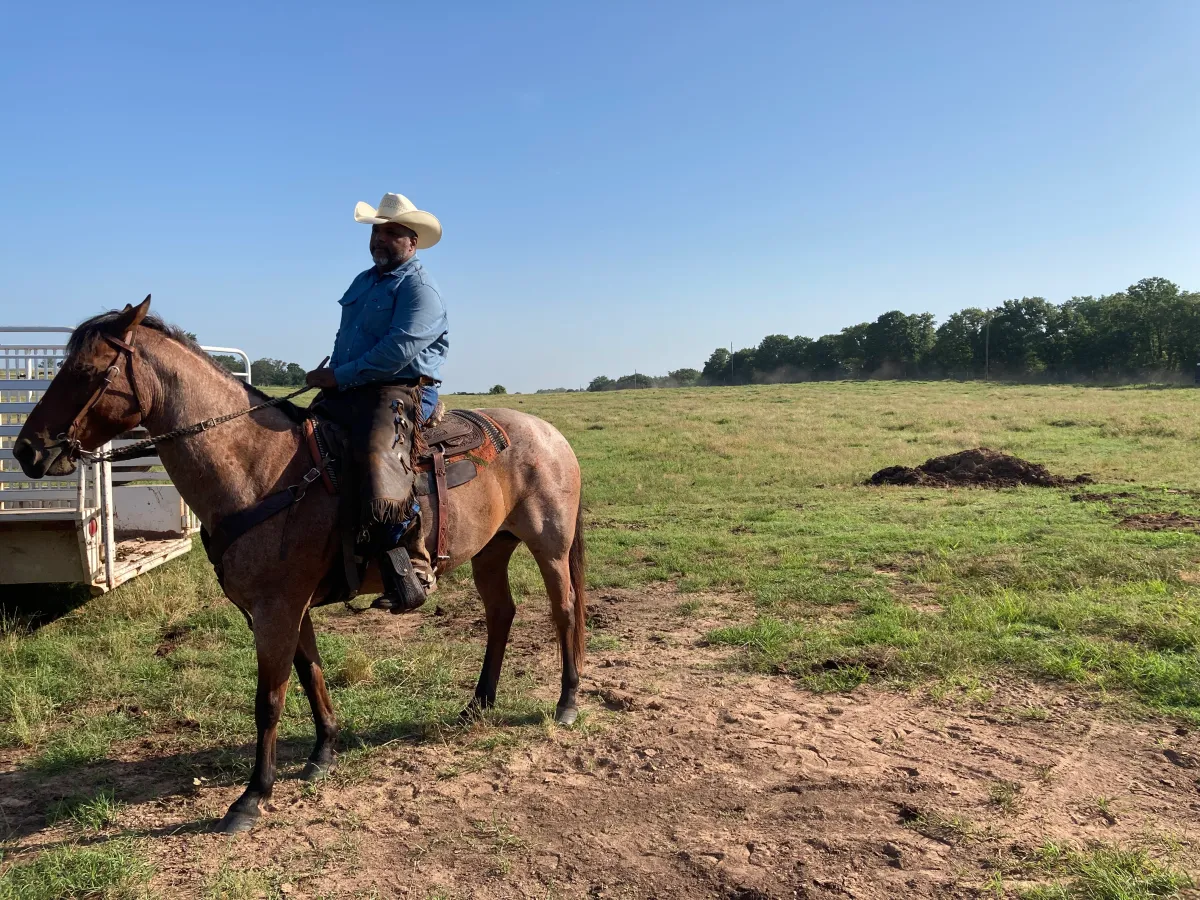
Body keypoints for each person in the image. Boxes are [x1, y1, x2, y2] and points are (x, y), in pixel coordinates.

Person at [305, 192, 448, 611]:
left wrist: (340, 376)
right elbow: (346, 337)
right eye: (376, 231)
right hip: (351, 386)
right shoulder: (363, 282)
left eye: (391, 233)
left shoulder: (421, 289)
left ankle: (409, 567)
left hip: (402, 388)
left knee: (378, 457)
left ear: (412, 241)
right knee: (298, 439)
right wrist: (333, 379)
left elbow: (398, 350)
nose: (380, 240)